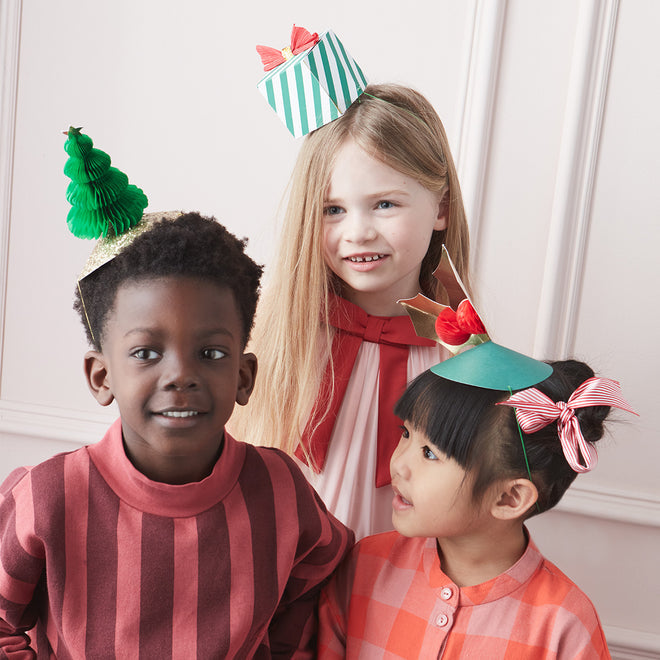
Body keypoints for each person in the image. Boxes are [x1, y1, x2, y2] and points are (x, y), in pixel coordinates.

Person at [0, 212, 353, 658]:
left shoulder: (280, 489)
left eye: (211, 353)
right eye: (146, 352)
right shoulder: (47, 496)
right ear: (101, 376)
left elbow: (315, 582)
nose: (181, 375)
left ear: (243, 377)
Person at [232, 84, 472, 539]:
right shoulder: (276, 341)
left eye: (384, 204)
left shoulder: (462, 359)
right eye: (333, 209)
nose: (357, 232)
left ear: (440, 207)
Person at [317, 351, 635, 658]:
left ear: (508, 498)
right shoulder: (364, 566)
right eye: (405, 433)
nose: (399, 464)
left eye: (429, 453)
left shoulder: (563, 625)